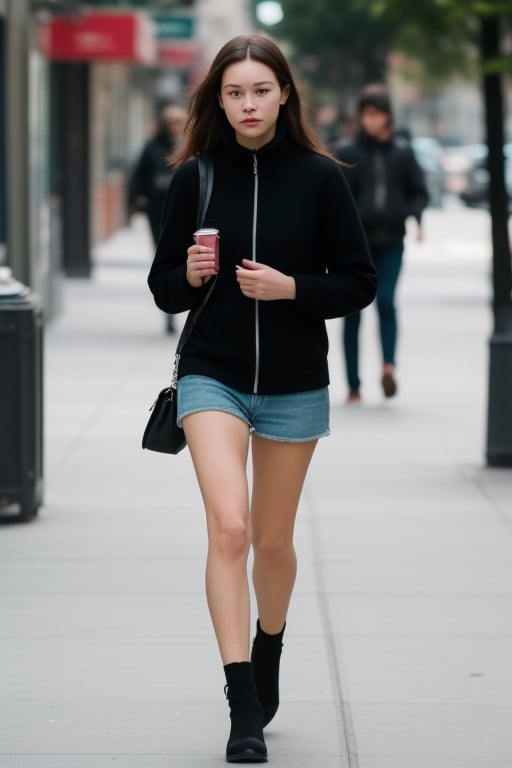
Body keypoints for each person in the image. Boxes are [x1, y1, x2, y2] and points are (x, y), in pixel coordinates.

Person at [147, 34, 377, 763]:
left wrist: (293, 290)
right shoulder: (196, 178)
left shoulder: (320, 178)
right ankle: (242, 700)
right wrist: (187, 271)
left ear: (284, 94)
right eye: (235, 92)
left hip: (292, 382)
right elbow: (162, 288)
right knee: (231, 531)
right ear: (219, 99)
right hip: (211, 375)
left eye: (260, 90)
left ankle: (268, 644)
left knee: (273, 544)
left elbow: (359, 279)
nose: (248, 104)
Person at [334, 84, 428, 403]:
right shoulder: (347, 152)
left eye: (379, 114)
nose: (374, 120)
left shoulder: (402, 150)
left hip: (391, 240)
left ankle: (388, 367)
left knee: (386, 302)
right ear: (360, 116)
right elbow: (338, 199)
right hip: (356, 245)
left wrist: (414, 216)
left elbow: (418, 189)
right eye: (368, 114)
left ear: (388, 115)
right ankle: (354, 384)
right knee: (353, 311)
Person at [129, 103, 187, 333]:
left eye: (179, 122)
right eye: (170, 122)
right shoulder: (151, 147)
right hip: (159, 211)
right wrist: (138, 199)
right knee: (166, 258)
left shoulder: (191, 145)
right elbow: (139, 176)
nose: (175, 127)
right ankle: (170, 311)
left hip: (186, 211)